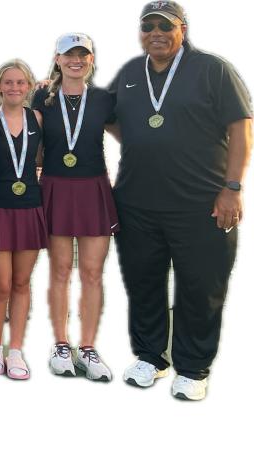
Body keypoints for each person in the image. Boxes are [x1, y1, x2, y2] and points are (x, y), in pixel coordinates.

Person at [110, 1, 251, 400]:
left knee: (200, 286)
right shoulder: (129, 73)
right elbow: (116, 121)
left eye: (165, 25)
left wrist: (233, 188)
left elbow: (241, 128)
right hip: (137, 203)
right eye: (148, 25)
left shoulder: (212, 69)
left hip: (201, 204)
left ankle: (193, 367)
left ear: (182, 29)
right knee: (144, 283)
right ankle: (153, 357)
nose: (156, 32)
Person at [32, 33, 117, 382]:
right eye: (69, 55)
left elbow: (132, 138)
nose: (75, 60)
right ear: (57, 59)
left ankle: (88, 346)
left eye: (82, 54)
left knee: (93, 274)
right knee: (60, 271)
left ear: (91, 59)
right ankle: (61, 344)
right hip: (54, 186)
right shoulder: (42, 96)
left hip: (93, 186)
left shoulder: (104, 99)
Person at [0, 60, 45, 381]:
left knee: (21, 282)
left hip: (30, 206)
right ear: (0, 86)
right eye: (9, 82)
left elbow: (42, 157)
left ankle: (15, 348)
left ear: (29, 86)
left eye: (21, 82)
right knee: (2, 283)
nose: (15, 87)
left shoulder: (38, 119)